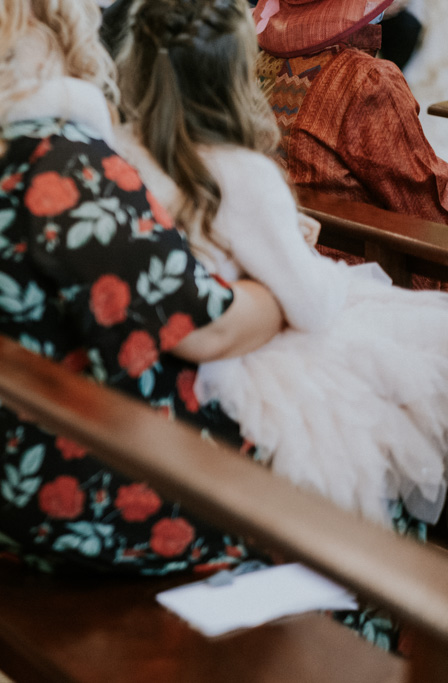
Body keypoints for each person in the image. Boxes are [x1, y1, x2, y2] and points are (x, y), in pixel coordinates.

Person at [0, 0, 284, 578]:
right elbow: (210, 328)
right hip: (101, 485)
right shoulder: (57, 161)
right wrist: (279, 289)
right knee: (345, 462)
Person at [113, 0, 448, 530]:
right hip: (315, 285)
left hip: (231, 295)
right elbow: (427, 206)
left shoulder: (133, 149)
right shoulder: (364, 81)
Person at [254, 0, 448, 225]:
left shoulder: (259, 64)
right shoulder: (366, 80)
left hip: (276, 239)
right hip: (348, 252)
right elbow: (426, 202)